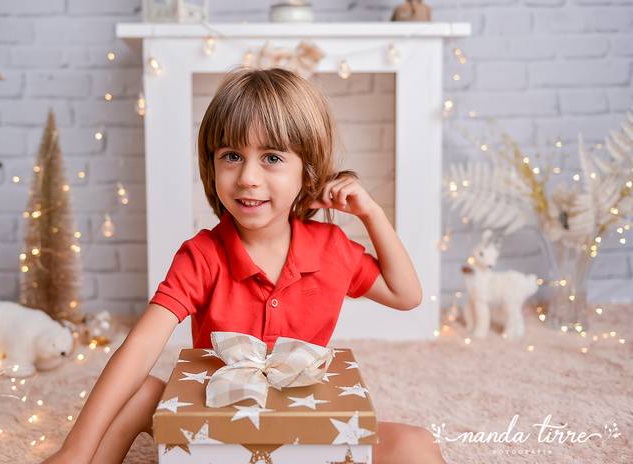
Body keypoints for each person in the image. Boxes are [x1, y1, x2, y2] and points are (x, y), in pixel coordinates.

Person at [43, 67, 446, 464]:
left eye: (271, 157)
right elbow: (140, 348)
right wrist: (74, 449)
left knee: (416, 444)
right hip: (216, 431)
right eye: (232, 156)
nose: (248, 177)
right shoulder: (202, 255)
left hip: (304, 432)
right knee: (142, 390)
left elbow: (405, 295)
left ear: (306, 172)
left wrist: (371, 213)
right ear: (212, 164)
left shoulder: (330, 248)